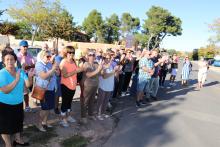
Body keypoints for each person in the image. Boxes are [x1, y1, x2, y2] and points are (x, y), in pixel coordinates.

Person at [0, 50, 34, 147]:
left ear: (15, 60)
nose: (10, 61)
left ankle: (18, 140)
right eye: (7, 59)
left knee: (18, 123)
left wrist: (30, 77)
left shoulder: (20, 71)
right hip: (4, 104)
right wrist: (16, 80)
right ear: (4, 62)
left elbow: (28, 85)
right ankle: (8, 144)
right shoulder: (1, 73)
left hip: (18, 103)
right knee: (5, 126)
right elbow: (5, 90)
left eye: (12, 59)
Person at [59, 46, 83, 127]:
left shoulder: (73, 61)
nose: (71, 54)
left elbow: (76, 71)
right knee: (64, 103)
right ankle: (63, 119)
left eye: (73, 53)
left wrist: (80, 68)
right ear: (66, 53)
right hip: (65, 85)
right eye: (69, 52)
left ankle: (68, 116)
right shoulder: (63, 62)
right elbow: (65, 75)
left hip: (73, 86)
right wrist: (76, 71)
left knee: (69, 102)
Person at [35, 50, 58, 132]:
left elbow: (56, 74)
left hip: (50, 88)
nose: (49, 58)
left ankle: (44, 122)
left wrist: (56, 69)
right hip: (42, 89)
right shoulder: (39, 65)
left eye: (50, 56)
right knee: (44, 108)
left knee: (48, 108)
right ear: (42, 56)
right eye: (47, 56)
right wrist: (53, 69)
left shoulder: (49, 64)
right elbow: (43, 76)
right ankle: (38, 124)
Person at [81, 50, 103, 124]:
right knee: (85, 101)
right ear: (87, 56)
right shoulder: (86, 64)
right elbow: (88, 75)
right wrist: (98, 70)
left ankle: (90, 114)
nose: (92, 56)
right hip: (87, 85)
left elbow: (100, 74)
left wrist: (102, 68)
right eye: (90, 55)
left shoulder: (96, 64)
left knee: (92, 101)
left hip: (95, 85)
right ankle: (83, 116)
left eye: (93, 55)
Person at [97, 53, 118, 120]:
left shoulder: (111, 66)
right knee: (101, 101)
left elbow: (113, 76)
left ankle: (103, 113)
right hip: (102, 86)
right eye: (106, 58)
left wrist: (118, 71)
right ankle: (98, 114)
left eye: (109, 58)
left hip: (109, 86)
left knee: (106, 101)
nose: (108, 59)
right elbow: (104, 76)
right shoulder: (102, 66)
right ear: (104, 59)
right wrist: (114, 71)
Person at [17, 40, 35, 112]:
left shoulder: (29, 55)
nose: (25, 48)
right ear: (20, 47)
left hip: (27, 75)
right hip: (20, 76)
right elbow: (18, 68)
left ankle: (27, 107)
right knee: (20, 92)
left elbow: (33, 65)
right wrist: (27, 67)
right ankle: (19, 107)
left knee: (26, 92)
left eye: (26, 46)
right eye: (24, 46)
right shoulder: (17, 56)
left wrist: (28, 67)